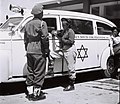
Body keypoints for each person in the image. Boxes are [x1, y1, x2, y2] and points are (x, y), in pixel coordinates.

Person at [24, 3, 49, 101]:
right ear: (40, 13)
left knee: (30, 71)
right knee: (39, 71)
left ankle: (29, 92)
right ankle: (36, 94)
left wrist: (27, 48)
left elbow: (25, 39)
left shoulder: (28, 24)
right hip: (39, 50)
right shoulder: (42, 24)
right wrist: (46, 50)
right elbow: (45, 38)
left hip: (29, 50)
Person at [51, 18, 77, 91]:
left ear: (68, 25)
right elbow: (58, 33)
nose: (63, 26)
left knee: (71, 67)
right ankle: (51, 69)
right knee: (52, 54)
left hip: (69, 50)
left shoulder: (70, 31)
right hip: (64, 50)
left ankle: (71, 84)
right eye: (62, 24)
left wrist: (62, 40)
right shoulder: (64, 31)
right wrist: (54, 32)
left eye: (64, 24)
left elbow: (71, 41)